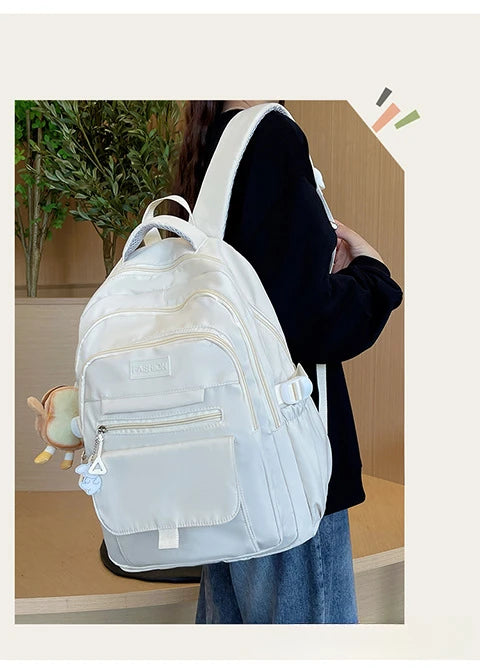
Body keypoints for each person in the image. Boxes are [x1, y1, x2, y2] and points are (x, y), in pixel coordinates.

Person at [168, 100, 404, 624]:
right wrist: (372, 275)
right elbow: (303, 322)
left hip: (228, 466)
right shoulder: (271, 136)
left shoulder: (212, 146)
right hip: (287, 468)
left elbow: (262, 310)